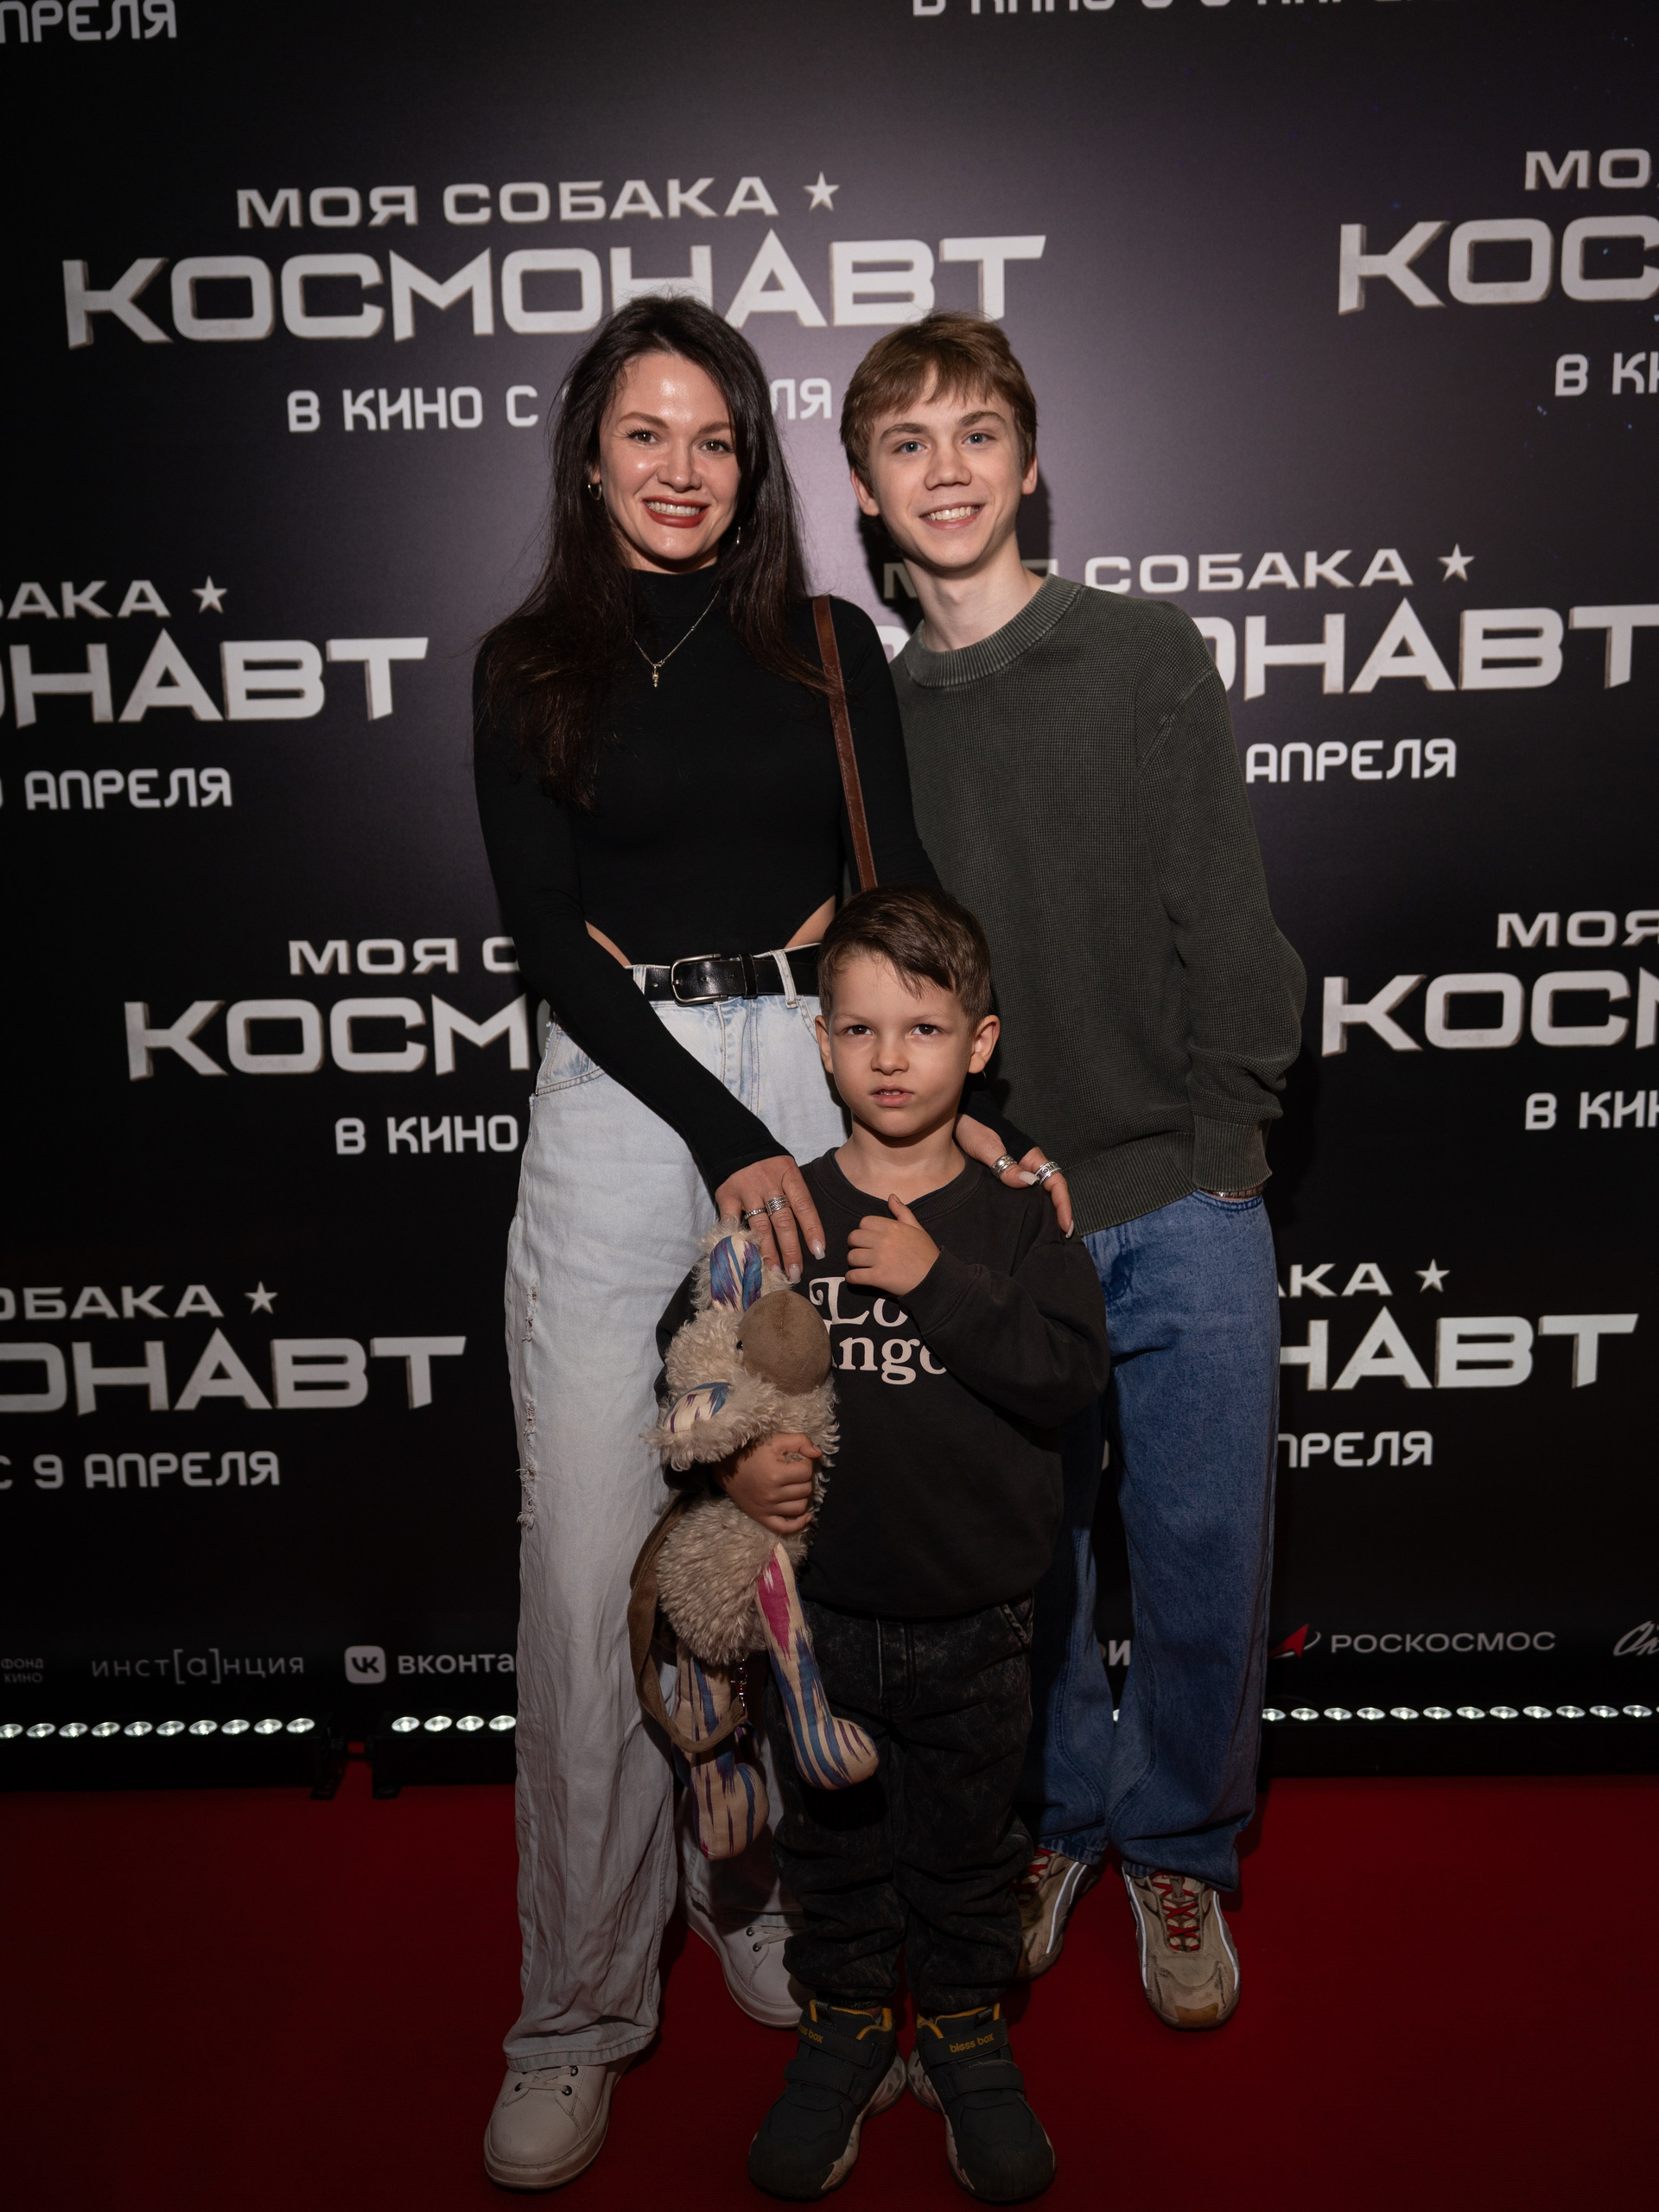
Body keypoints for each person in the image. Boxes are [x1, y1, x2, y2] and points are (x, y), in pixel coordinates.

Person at [469, 297, 1032, 2192]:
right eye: (645, 432)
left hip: (815, 1065)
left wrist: (971, 1113)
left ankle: (765, 1900)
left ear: (750, 459)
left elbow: (898, 890)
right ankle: (575, 2008)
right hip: (626, 1101)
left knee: (795, 1532)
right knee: (591, 1559)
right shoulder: (530, 661)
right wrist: (723, 1137)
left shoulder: (827, 644)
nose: (681, 467)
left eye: (714, 435)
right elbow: (549, 941)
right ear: (591, 452)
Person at [840, 315, 1306, 2031]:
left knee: (1202, 1550)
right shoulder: (870, 719)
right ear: (868, 492)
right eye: (908, 443)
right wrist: (949, 1151)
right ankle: (1054, 1819)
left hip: (1182, 1189)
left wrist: (1229, 1140)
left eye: (978, 434)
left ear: (1031, 464)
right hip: (999, 1212)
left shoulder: (1144, 654)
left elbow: (1222, 916)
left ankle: (1179, 1841)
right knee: (1023, 1574)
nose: (947, 469)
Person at [713, 886, 1109, 2202]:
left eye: (925, 1028)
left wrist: (934, 1280)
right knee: (832, 1849)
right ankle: (842, 2029)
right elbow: (701, 1366)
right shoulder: (784, 1213)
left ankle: (961, 2030)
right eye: (862, 1028)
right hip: (819, 1623)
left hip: (981, 1620)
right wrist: (738, 1457)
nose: (891, 1057)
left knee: (966, 1844)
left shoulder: (1018, 1215)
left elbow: (1067, 1377)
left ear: (980, 1044)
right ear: (821, 1043)